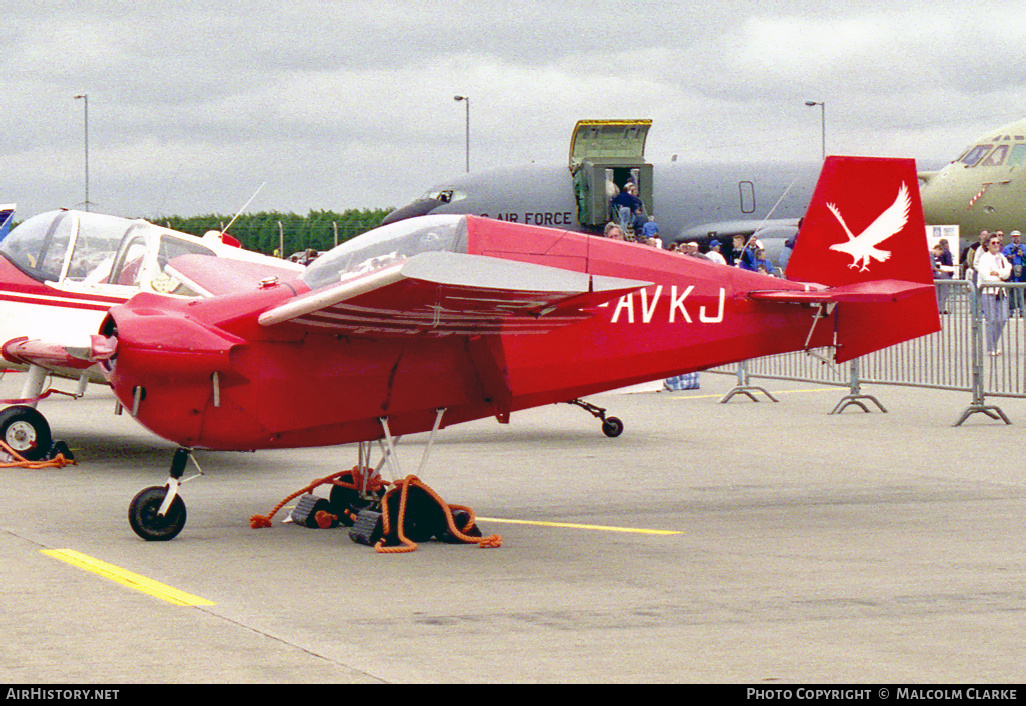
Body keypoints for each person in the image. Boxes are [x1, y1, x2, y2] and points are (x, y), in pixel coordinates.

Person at [977, 233, 1012, 355]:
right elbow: (986, 277)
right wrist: (1000, 276)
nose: (996, 245)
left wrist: (998, 274)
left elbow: (1008, 271)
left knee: (1003, 318)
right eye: (993, 243)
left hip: (1001, 291)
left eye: (998, 243)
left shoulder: (1002, 257)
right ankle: (991, 347)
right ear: (987, 245)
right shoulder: (984, 258)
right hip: (988, 292)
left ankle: (992, 343)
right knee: (990, 320)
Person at [1002, 230, 1025, 315]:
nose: (1016, 238)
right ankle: (1010, 311)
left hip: (1021, 273)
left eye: (1017, 236)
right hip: (1011, 273)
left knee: (1021, 293)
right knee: (1010, 292)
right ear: (1011, 238)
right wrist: (1009, 257)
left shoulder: (1024, 247)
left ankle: (1022, 311)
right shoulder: (1007, 248)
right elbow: (1003, 257)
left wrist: (1023, 254)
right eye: (1014, 236)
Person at [931, 242, 954, 313]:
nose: (939, 255)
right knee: (942, 290)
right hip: (935, 276)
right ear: (938, 249)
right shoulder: (931, 255)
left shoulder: (931, 255)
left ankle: (939, 307)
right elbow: (932, 267)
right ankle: (940, 308)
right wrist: (942, 270)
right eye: (940, 252)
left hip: (934, 276)